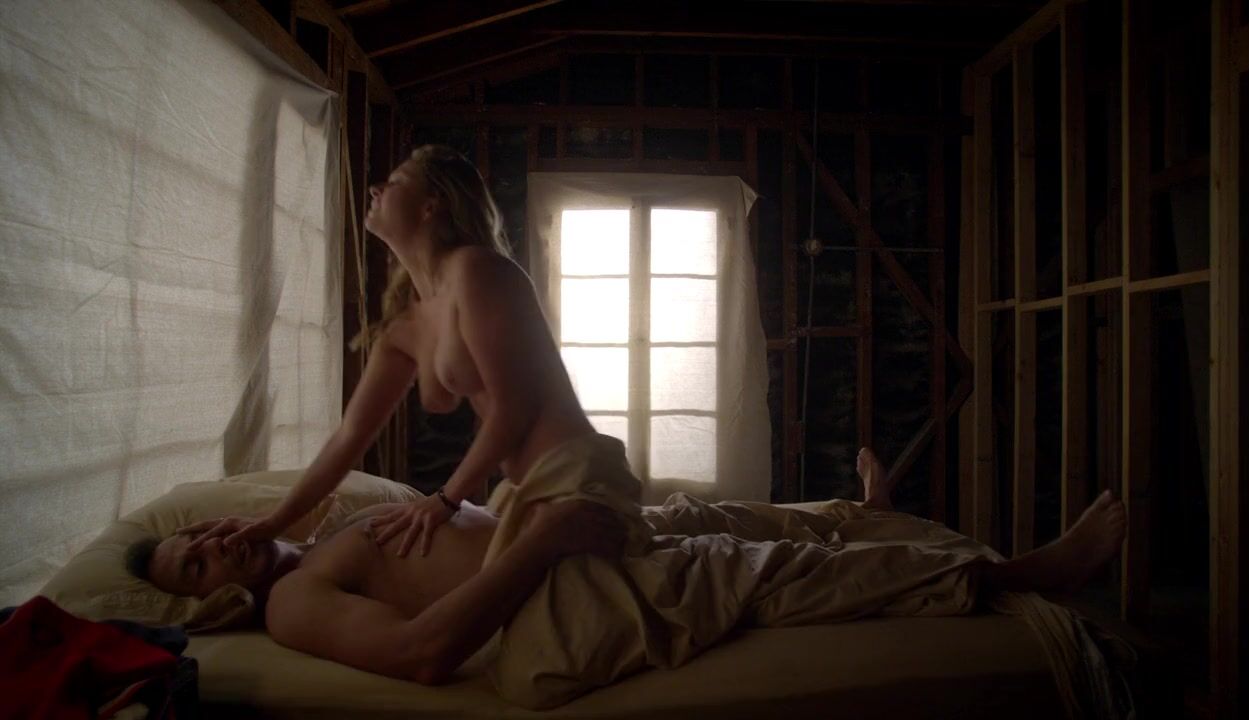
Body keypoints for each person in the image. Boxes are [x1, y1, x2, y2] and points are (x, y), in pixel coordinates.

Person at [128, 448, 1127, 693]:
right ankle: (1010, 579)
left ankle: (856, 514)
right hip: (559, 601)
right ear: (209, 601)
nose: (214, 546)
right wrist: (540, 542)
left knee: (700, 514)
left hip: (555, 548)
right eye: (195, 565)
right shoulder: (294, 605)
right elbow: (423, 651)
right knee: (758, 566)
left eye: (202, 535)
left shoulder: (323, 526)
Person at [182, 145, 598, 560]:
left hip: (579, 478)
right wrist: (273, 523)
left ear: (431, 206)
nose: (375, 188)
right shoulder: (406, 325)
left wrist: (445, 500)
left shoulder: (475, 269)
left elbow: (515, 407)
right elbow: (349, 437)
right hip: (527, 493)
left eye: (396, 181)